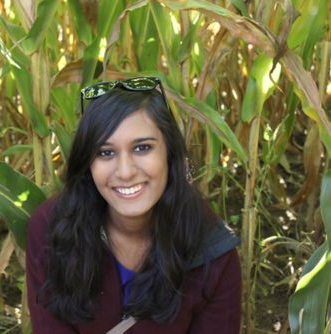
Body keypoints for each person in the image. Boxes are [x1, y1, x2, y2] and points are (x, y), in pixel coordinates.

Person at [26, 76, 242, 333]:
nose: (125, 172)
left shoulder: (213, 251)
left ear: (169, 153)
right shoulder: (51, 228)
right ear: (88, 163)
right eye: (105, 152)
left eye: (142, 148)